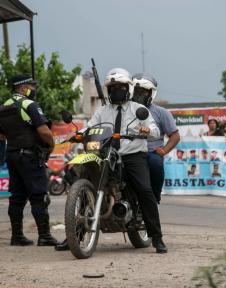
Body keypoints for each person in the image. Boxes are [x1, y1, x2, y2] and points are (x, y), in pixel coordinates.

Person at [57, 68, 167, 254]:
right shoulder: (102, 111)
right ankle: (75, 235)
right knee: (85, 182)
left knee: (145, 190)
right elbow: (90, 127)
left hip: (132, 156)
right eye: (113, 87)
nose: (117, 90)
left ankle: (157, 237)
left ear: (128, 88)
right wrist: (79, 134)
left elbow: (155, 131)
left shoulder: (138, 109)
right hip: (106, 153)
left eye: (120, 87)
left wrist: (146, 131)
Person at [0, 74, 58, 246]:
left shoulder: (3, 107)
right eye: (32, 87)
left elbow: (1, 134)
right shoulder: (29, 105)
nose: (34, 90)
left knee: (16, 197)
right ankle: (45, 236)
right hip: (30, 157)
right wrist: (51, 144)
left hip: (12, 155)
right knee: (38, 196)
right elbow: (44, 131)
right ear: (23, 88)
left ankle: (16, 236)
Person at [131, 73, 180, 203]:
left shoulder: (161, 112)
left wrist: (163, 151)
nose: (140, 94)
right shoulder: (125, 110)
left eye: (144, 91)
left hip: (151, 152)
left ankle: (155, 197)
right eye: (137, 91)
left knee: (156, 164)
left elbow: (175, 135)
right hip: (129, 151)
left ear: (151, 93)